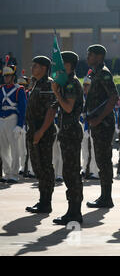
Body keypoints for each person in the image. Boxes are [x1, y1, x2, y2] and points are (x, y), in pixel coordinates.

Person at [51, 51, 84, 225]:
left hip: (71, 132)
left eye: (61, 63)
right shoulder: (66, 83)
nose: (58, 67)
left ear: (69, 65)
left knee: (72, 173)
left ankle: (75, 212)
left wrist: (57, 93)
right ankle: (72, 211)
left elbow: (69, 108)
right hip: (66, 132)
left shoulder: (71, 84)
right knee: (68, 173)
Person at [84, 44, 119, 209]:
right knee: (100, 159)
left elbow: (113, 97)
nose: (88, 57)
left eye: (90, 54)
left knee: (104, 159)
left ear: (98, 56)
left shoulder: (104, 73)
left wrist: (99, 119)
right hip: (97, 122)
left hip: (103, 124)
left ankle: (107, 197)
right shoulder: (94, 73)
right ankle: (104, 195)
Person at [25, 56, 57, 213]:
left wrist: (41, 131)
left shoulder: (48, 84)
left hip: (43, 131)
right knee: (38, 166)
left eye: (36, 66)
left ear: (44, 68)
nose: (33, 68)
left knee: (45, 166)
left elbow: (51, 111)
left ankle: (46, 202)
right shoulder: (37, 83)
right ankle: (42, 200)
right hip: (34, 130)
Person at [0, 64, 26, 184]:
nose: (6, 78)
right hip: (2, 119)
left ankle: (14, 174)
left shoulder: (19, 89)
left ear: (13, 76)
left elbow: (23, 108)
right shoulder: (1, 89)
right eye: (5, 76)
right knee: (3, 149)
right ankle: (7, 172)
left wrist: (19, 125)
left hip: (13, 119)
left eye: (8, 76)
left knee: (15, 148)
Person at [80, 76, 99, 179]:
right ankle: (85, 168)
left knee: (93, 150)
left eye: (87, 85)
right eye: (84, 85)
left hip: (91, 126)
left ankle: (94, 171)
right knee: (84, 150)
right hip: (83, 126)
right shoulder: (81, 97)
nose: (85, 87)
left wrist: (87, 128)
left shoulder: (93, 97)